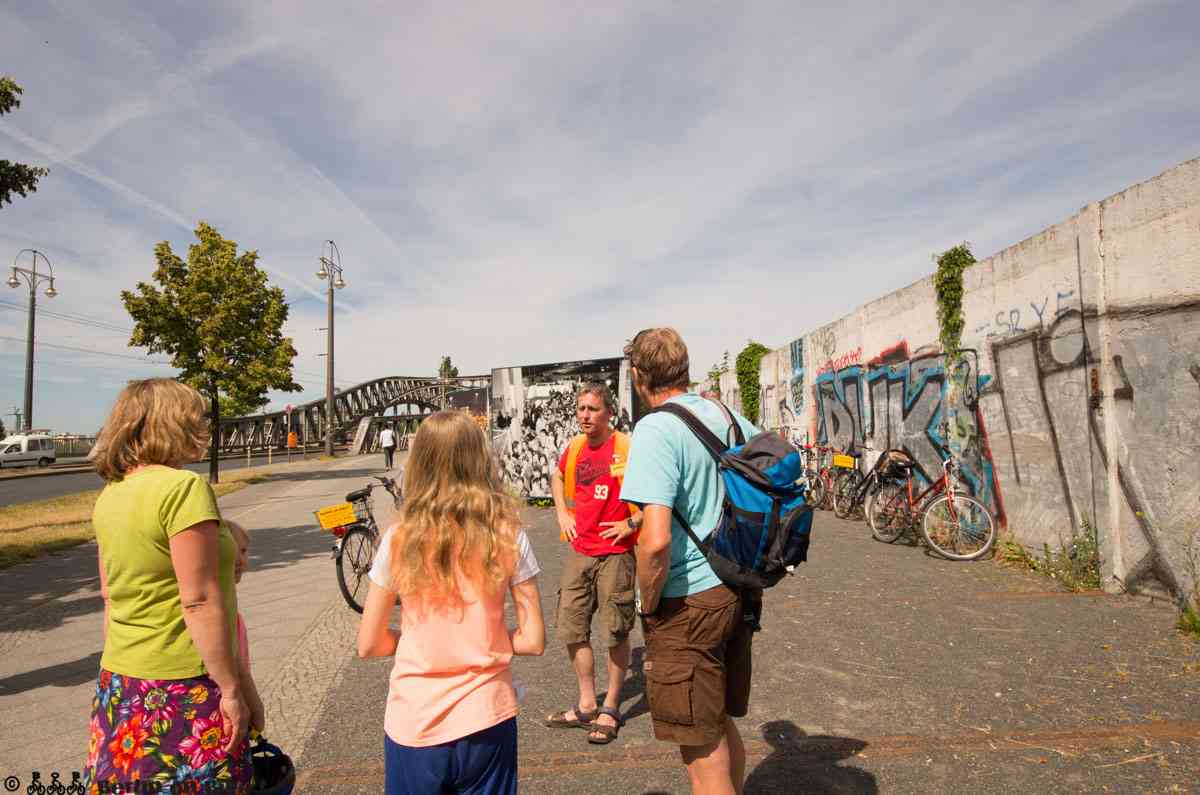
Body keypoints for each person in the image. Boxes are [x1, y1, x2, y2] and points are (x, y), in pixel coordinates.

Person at [357, 410, 545, 795]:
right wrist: (485, 639)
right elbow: (533, 640)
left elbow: (369, 644)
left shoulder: (398, 539)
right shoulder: (508, 535)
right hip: (487, 715)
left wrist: (417, 640)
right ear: (480, 460)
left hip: (416, 719)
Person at [85, 378, 258, 794]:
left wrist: (227, 532)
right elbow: (198, 601)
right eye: (196, 417)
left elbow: (113, 591)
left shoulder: (112, 494)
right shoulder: (184, 488)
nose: (203, 426)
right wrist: (233, 689)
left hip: (122, 682)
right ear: (173, 423)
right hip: (184, 683)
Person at [619, 328, 760, 795]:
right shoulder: (728, 414)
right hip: (737, 588)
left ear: (639, 376)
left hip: (688, 602)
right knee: (716, 721)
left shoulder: (656, 428)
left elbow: (655, 540)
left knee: (699, 746)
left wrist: (648, 601)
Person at [544, 383, 640, 745]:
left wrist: (631, 523)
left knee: (615, 631)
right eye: (581, 408)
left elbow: (656, 497)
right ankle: (587, 702)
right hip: (580, 551)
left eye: (592, 409)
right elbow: (557, 475)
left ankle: (611, 706)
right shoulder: (575, 446)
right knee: (572, 627)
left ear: (609, 413)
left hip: (616, 553)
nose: (585, 415)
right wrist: (561, 512)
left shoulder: (627, 448)